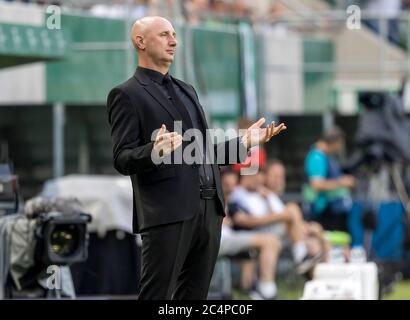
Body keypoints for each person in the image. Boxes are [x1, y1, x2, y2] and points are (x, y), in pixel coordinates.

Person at [106, 16, 286, 300]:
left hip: (209, 212)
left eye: (174, 34)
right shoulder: (126, 94)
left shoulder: (186, 90)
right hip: (167, 214)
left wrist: (244, 143)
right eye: (164, 34)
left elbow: (204, 154)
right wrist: (154, 151)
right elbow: (122, 158)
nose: (174, 41)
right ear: (140, 42)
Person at [218, 168, 281, 300]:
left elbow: (244, 221)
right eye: (226, 185)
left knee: (265, 243)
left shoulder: (233, 203)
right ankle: (266, 291)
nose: (230, 189)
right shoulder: (213, 202)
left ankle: (255, 287)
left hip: (232, 238)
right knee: (269, 241)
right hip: (221, 240)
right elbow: (244, 221)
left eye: (233, 185)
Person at [302, 127, 356, 233]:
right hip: (323, 213)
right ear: (335, 142)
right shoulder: (316, 157)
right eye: (340, 144)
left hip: (333, 212)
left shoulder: (327, 157)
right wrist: (342, 182)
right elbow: (317, 185)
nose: (340, 148)